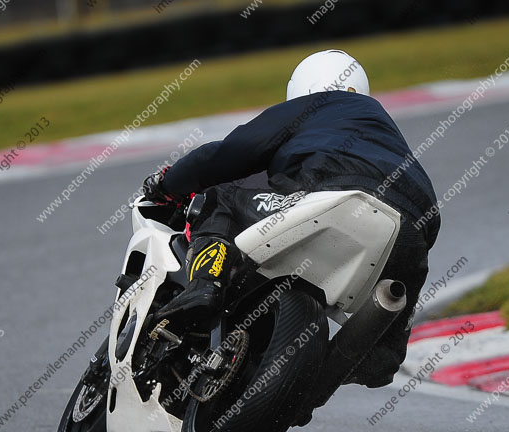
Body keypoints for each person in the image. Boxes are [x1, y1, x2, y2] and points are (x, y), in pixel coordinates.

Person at [142, 49, 439, 394]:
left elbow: (227, 154)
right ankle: (333, 381)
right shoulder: (384, 127)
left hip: (333, 190)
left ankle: (204, 285)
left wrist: (168, 184)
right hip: (413, 225)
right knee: (381, 358)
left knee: (220, 193)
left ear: (300, 89)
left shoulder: (313, 105)